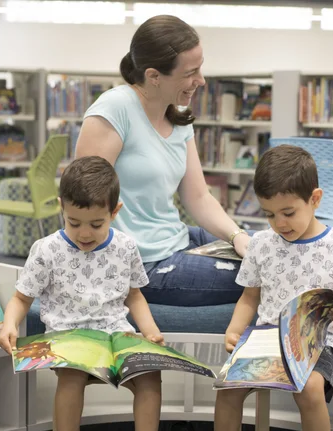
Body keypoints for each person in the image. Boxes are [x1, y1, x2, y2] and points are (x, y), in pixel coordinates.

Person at [188, 145, 333, 431]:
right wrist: (235, 330)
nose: (279, 223)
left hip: (317, 344)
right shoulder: (261, 245)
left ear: (314, 199)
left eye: (288, 213)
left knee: (310, 388)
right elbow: (249, 296)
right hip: (268, 339)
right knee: (229, 386)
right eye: (269, 214)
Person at [0, 157, 167, 431]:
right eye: (74, 223)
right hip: (68, 337)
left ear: (115, 211)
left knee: (150, 376)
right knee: (72, 378)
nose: (85, 233)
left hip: (115, 333)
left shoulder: (124, 247)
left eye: (96, 223)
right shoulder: (46, 250)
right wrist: (9, 323)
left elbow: (134, 294)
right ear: (61, 208)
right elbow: (21, 297)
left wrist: (148, 329)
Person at [75, 15, 251, 307]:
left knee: (278, 246)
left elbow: (198, 197)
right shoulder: (115, 108)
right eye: (190, 72)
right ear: (154, 75)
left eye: (200, 68)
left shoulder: (178, 118)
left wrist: (237, 236)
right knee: (269, 270)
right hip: (142, 264)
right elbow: (81, 200)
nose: (201, 80)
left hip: (177, 239)